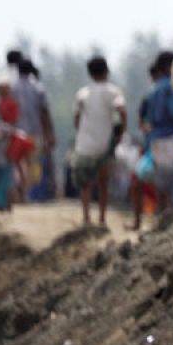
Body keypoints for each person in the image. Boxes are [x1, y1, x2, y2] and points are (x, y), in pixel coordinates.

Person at [72, 57, 126, 226]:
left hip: (85, 143)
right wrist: (121, 131)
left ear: (89, 73)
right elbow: (121, 110)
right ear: (107, 71)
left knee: (85, 183)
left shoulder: (83, 93)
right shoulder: (113, 92)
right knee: (103, 182)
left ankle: (86, 217)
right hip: (104, 143)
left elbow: (76, 118)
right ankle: (102, 218)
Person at [135, 51, 173, 223]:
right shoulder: (171, 88)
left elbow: (143, 117)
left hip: (156, 140)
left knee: (161, 185)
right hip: (171, 139)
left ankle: (161, 219)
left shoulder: (153, 90)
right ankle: (168, 221)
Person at [13, 60, 55, 202]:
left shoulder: (13, 87)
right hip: (35, 133)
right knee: (33, 164)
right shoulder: (38, 88)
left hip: (16, 133)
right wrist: (49, 134)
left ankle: (20, 193)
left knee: (18, 164)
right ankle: (27, 194)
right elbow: (44, 112)